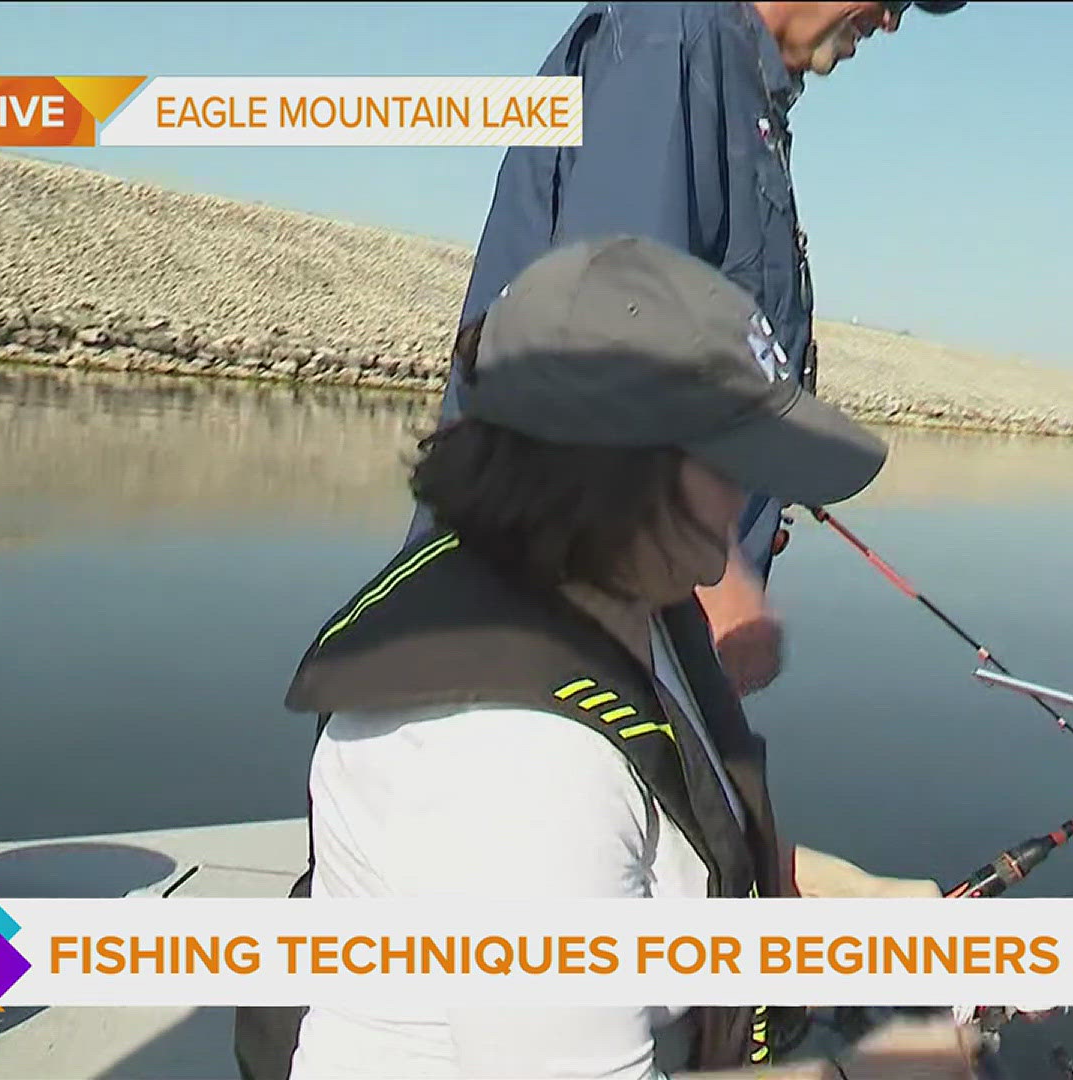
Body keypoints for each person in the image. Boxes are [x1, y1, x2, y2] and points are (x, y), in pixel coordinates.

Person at [235, 236, 974, 1080]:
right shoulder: (512, 754)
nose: (750, 498)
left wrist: (864, 904)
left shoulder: (627, 604)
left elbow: (667, 863)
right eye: (730, 460)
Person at [411, 0, 969, 698]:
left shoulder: (734, 78)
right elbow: (606, 352)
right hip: (546, 651)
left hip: (632, 634)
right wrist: (724, 585)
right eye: (893, 0)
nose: (890, 21)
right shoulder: (669, 41)